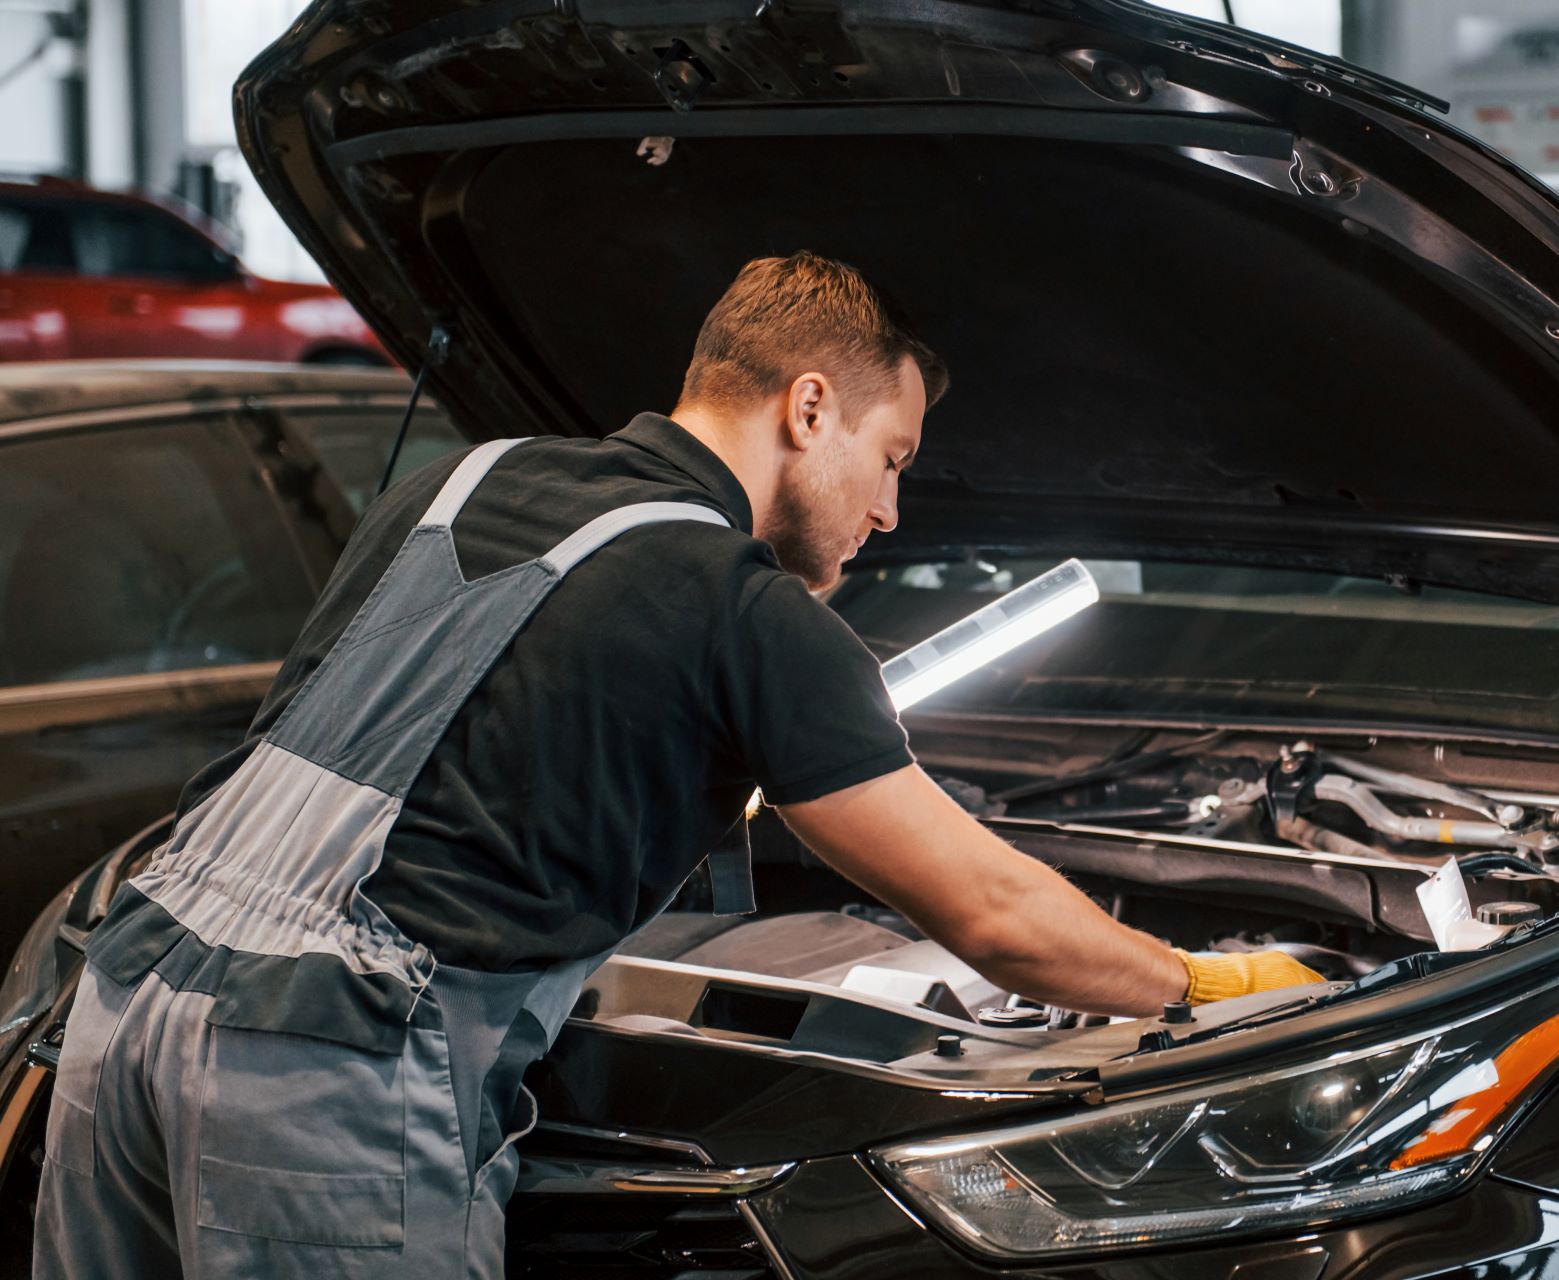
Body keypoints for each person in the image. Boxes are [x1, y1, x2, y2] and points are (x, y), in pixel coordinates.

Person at [33, 252, 1321, 1278]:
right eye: (892, 461)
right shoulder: (742, 605)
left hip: (119, 1022)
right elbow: (992, 913)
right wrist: (1197, 979)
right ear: (809, 406)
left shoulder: (462, 479)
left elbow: (419, 750)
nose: (889, 514)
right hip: (326, 1081)